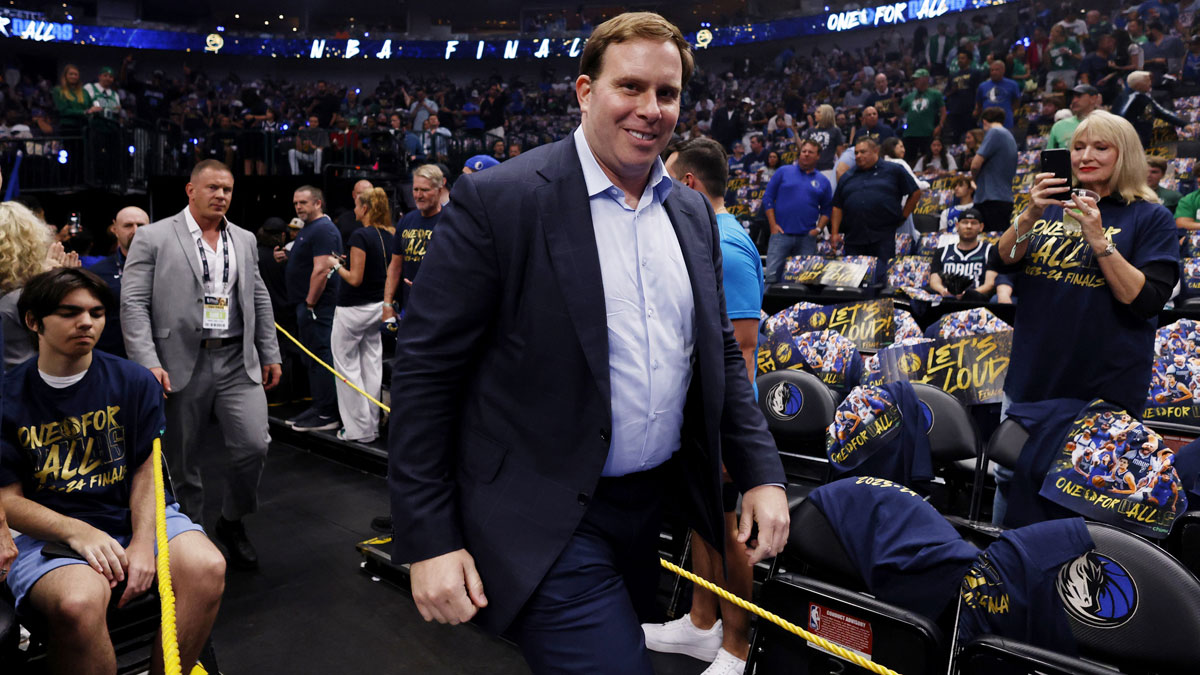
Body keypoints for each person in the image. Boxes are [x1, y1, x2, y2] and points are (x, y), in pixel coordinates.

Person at [388, 13, 789, 674]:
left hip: (646, 512)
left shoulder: (690, 214)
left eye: (667, 93)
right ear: (584, 90)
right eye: (629, 86)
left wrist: (762, 472)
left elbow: (715, 353)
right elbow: (427, 374)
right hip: (541, 513)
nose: (650, 109)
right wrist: (427, 536)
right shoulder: (501, 200)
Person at [0, 267, 226, 675]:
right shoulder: (9, 397)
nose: (86, 322)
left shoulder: (134, 381)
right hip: (49, 532)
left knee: (207, 567)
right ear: (34, 321)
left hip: (129, 512)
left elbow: (145, 469)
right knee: (78, 603)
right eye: (69, 312)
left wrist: (142, 542)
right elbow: (7, 502)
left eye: (96, 312)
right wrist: (77, 531)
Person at [995, 111, 1179, 523]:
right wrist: (1028, 216)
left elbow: (1146, 300)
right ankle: (1001, 573)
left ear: (1125, 154)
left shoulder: (1151, 218)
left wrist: (1098, 239)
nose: (1085, 156)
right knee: (1010, 477)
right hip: (1032, 379)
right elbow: (1003, 259)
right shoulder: (1048, 208)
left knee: (1085, 496)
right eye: (1078, 147)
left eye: (1100, 147)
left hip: (1102, 388)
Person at [121, 159, 282, 570]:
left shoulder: (244, 239)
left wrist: (270, 351)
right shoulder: (154, 236)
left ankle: (232, 520)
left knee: (253, 445)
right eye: (212, 188)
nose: (221, 196)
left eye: (227, 189)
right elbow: (133, 303)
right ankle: (191, 539)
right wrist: (146, 363)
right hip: (177, 362)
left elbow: (259, 298)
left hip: (236, 359)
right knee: (181, 461)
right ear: (190, 191)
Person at [647, 137, 765, 675]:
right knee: (701, 518)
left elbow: (740, 346)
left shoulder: (729, 243)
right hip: (694, 411)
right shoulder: (702, 232)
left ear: (689, 183)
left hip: (722, 418)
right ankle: (700, 623)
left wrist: (726, 434)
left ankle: (737, 646)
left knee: (726, 528)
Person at [325, 188, 394, 444]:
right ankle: (373, 427)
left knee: (346, 368)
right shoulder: (390, 234)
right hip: (378, 308)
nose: (354, 210)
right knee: (371, 366)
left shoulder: (360, 236)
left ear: (364, 208)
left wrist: (336, 266)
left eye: (356, 205)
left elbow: (354, 279)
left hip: (352, 310)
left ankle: (358, 430)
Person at [284, 185, 343, 432]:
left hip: (317, 306)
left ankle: (326, 413)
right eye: (296, 203)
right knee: (312, 358)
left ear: (318, 203)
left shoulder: (324, 230)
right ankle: (319, 406)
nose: (298, 207)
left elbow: (322, 270)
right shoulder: (311, 229)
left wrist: (310, 303)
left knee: (320, 356)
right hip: (308, 304)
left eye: (304, 203)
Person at [830, 138, 922, 282]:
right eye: (856, 153)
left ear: (875, 151)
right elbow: (837, 206)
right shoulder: (847, 176)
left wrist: (903, 216)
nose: (858, 156)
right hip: (853, 237)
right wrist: (834, 233)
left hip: (882, 236)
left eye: (863, 152)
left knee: (881, 278)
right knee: (854, 280)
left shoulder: (894, 170)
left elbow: (915, 192)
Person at [762, 139, 833, 283]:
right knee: (771, 277)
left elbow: (827, 210)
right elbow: (768, 198)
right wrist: (772, 225)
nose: (806, 154)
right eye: (803, 151)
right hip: (780, 235)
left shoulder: (823, 181)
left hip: (807, 238)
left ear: (818, 156)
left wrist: (818, 229)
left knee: (806, 280)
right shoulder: (783, 171)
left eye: (810, 152)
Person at [382, 164, 444, 322]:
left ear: (439, 190)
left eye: (425, 190)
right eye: (415, 190)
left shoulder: (450, 221)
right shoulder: (406, 221)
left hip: (440, 309)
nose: (419, 195)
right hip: (409, 309)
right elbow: (395, 266)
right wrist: (387, 304)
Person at [88, 206, 149, 359]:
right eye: (128, 225)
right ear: (115, 229)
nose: (135, 231)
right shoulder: (97, 273)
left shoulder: (166, 267)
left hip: (156, 357)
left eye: (141, 225)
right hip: (111, 356)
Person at [928, 208, 1000, 300]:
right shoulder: (942, 251)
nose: (969, 226)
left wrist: (967, 295)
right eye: (965, 222)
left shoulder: (990, 251)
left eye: (973, 223)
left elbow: (990, 284)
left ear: (981, 227)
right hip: (947, 300)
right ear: (957, 226)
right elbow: (934, 281)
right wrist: (943, 291)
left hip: (976, 302)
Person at [971, 108, 1018, 232]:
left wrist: (975, 181)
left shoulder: (994, 132)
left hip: (990, 198)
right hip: (1003, 197)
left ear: (984, 122)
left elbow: (975, 164)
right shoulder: (1009, 135)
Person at [1117, 71, 1189, 150]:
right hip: (1132, 142)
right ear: (1138, 85)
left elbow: (1161, 113)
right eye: (1148, 81)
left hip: (1144, 139)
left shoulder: (1144, 98)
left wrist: (1184, 124)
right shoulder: (1130, 99)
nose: (1150, 83)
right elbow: (1121, 120)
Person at [900, 69, 946, 164]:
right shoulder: (910, 96)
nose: (915, 81)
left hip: (927, 132)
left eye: (917, 79)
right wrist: (895, 102)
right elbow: (899, 112)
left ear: (925, 79)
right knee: (908, 159)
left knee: (928, 158)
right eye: (914, 79)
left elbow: (943, 112)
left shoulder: (935, 94)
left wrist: (940, 126)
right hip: (910, 133)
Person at [1047, 84, 1103, 149]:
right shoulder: (1059, 126)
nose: (1074, 100)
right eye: (1073, 97)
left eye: (1079, 96)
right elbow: (1049, 156)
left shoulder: (1107, 124)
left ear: (1093, 98)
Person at [974, 60, 1022, 130]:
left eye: (997, 70)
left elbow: (1017, 101)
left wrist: (1008, 110)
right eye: (992, 70)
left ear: (1003, 70)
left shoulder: (1013, 85)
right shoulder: (982, 86)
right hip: (987, 123)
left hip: (1006, 122)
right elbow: (978, 103)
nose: (994, 72)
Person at [804, 104, 846, 184]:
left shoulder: (835, 131)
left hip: (827, 169)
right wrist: (795, 133)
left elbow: (840, 154)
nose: (815, 114)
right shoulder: (811, 130)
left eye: (818, 112)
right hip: (810, 169)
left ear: (826, 114)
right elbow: (803, 149)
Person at [51, 64, 91, 136]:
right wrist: (84, 112)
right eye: (71, 74)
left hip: (84, 127)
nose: (73, 76)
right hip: (67, 128)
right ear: (65, 76)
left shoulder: (84, 92)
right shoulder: (58, 90)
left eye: (76, 74)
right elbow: (63, 110)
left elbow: (89, 106)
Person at [335, 179, 374, 250]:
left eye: (367, 193)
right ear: (353, 195)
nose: (363, 197)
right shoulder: (343, 219)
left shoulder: (380, 220)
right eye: (359, 193)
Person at [1044, 24, 1084, 91]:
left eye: (1053, 32)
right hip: (1054, 71)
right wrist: (1046, 52)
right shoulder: (1050, 45)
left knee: (1067, 88)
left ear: (1060, 34)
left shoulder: (1071, 43)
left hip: (1069, 69)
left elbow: (1080, 58)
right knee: (1049, 88)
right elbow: (1047, 65)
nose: (1051, 34)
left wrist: (1070, 53)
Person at [938, 176, 977, 244]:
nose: (956, 188)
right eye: (955, 186)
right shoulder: (946, 212)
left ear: (970, 189)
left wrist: (976, 188)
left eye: (961, 185)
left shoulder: (979, 209)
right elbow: (943, 237)